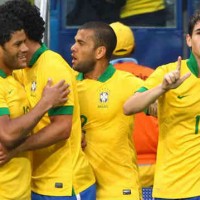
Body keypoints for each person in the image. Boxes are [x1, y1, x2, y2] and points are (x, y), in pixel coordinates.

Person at [0, 0, 96, 199]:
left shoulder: (52, 66)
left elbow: (62, 128)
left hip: (63, 185)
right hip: (34, 181)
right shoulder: (18, 71)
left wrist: (17, 148)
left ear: (23, 33)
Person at [123, 9, 200, 200]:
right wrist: (163, 88)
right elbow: (129, 107)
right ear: (189, 40)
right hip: (172, 187)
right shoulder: (167, 73)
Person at [71, 21, 143, 200]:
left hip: (119, 190)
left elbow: (163, 108)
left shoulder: (128, 83)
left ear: (100, 52)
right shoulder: (67, 83)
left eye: (81, 43)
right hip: (80, 189)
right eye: (75, 41)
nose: (73, 48)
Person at [0, 11, 69, 200]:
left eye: (24, 41)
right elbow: (7, 135)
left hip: (21, 191)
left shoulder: (14, 78)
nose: (24, 48)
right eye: (17, 44)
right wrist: (45, 103)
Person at [110, 21, 159, 188]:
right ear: (134, 46)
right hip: (155, 170)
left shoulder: (97, 82)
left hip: (116, 172)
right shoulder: (154, 76)